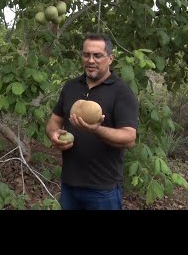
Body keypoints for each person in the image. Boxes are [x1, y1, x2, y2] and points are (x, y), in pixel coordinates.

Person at [46, 33, 138, 210]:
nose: (91, 60)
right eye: (86, 54)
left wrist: (96, 129)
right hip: (69, 186)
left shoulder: (121, 92)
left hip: (103, 190)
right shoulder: (71, 87)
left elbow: (129, 138)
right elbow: (54, 121)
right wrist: (54, 134)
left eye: (97, 55)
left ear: (110, 58)